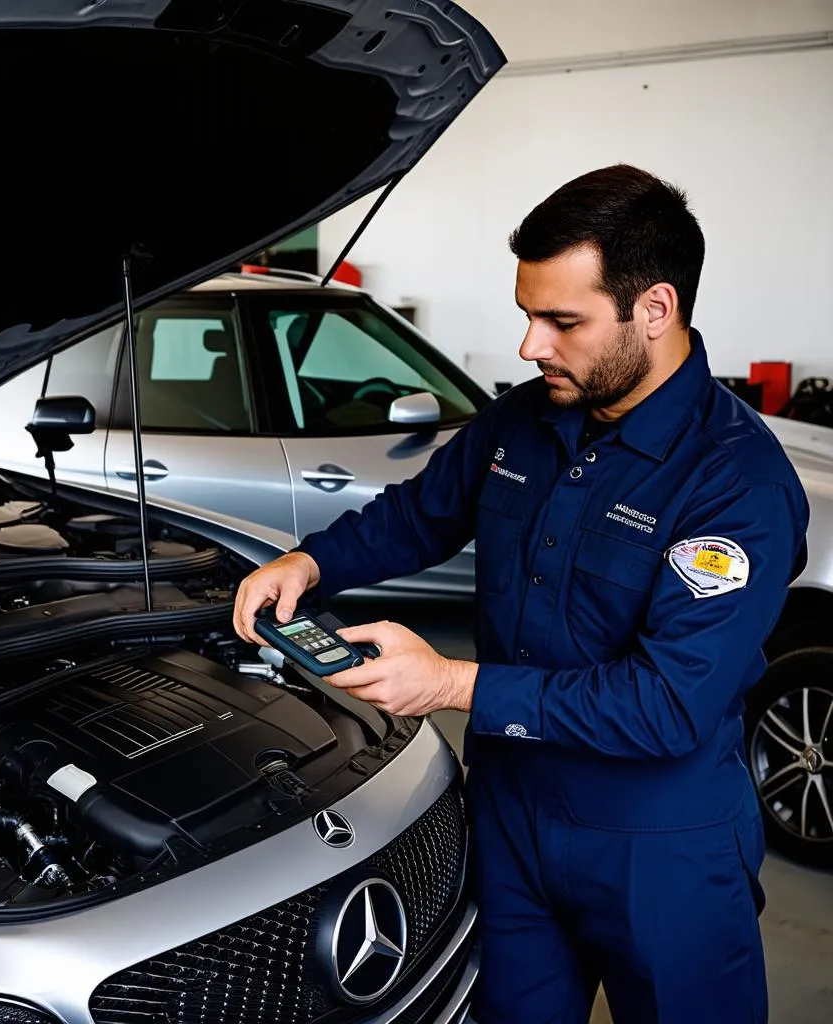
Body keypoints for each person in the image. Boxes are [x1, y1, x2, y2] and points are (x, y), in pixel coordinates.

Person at [233, 164, 809, 1024]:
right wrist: (311, 565)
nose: (531, 346)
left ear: (654, 310)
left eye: (561, 321)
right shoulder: (524, 419)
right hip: (509, 815)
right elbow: (421, 515)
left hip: (659, 843)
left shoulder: (736, 485)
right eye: (527, 315)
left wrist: (451, 685)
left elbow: (668, 704)